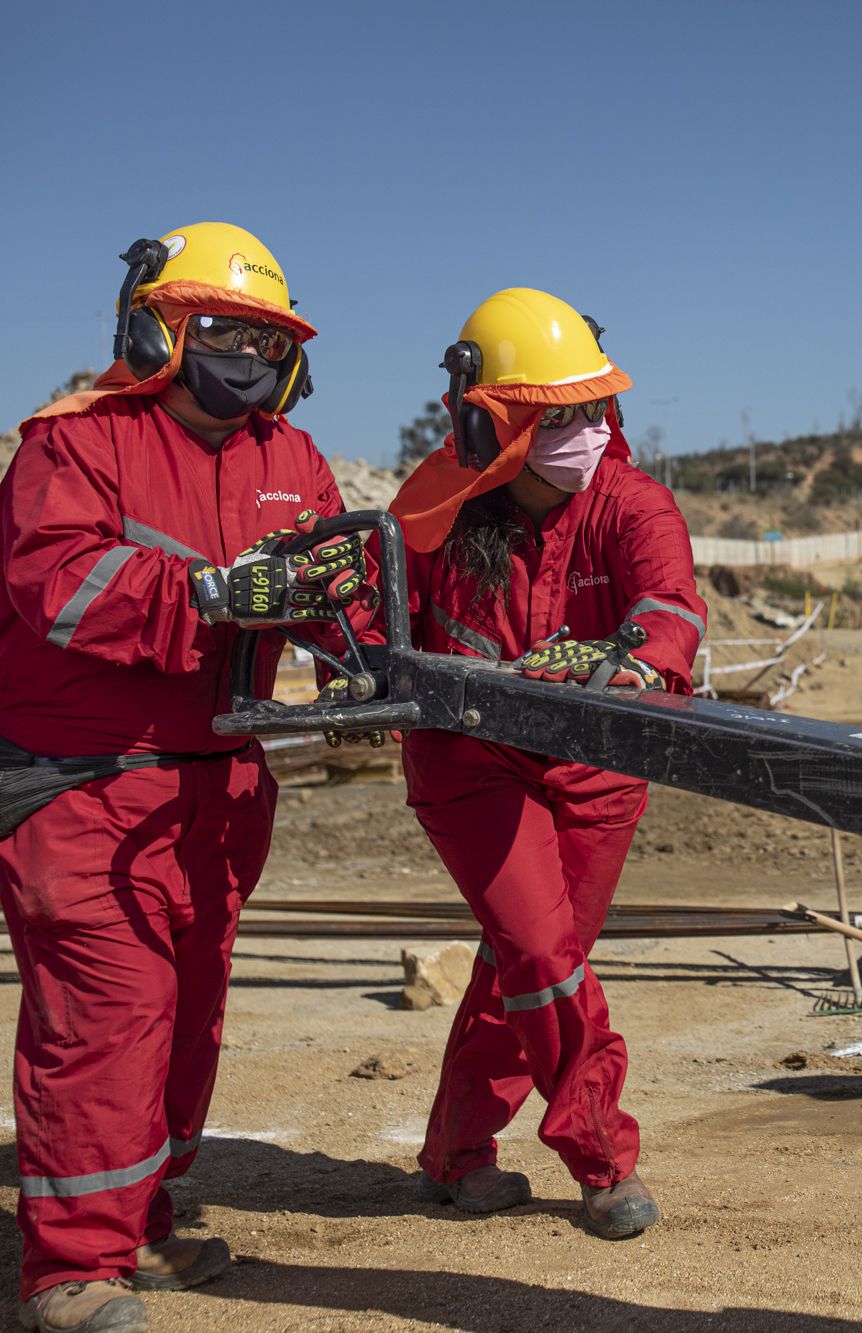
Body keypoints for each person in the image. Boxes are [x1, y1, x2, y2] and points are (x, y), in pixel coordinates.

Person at [0, 223, 369, 1332]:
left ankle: (142, 1220)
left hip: (218, 783)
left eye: (261, 334)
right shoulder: (73, 446)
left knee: (187, 1015)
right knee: (110, 1016)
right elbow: (56, 585)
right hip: (83, 783)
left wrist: (355, 632)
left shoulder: (288, 460)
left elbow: (326, 598)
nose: (241, 353)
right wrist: (206, 597)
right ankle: (68, 1268)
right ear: (151, 327)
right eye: (215, 327)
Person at [386, 288, 705, 1240]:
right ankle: (605, 1159)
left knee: (525, 966)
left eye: (590, 408)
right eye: (556, 417)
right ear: (496, 425)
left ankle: (455, 1153)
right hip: (469, 759)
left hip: (596, 767)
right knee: (539, 953)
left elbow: (672, 605)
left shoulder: (630, 502)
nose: (585, 432)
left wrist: (641, 659)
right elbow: (370, 614)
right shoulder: (435, 506)